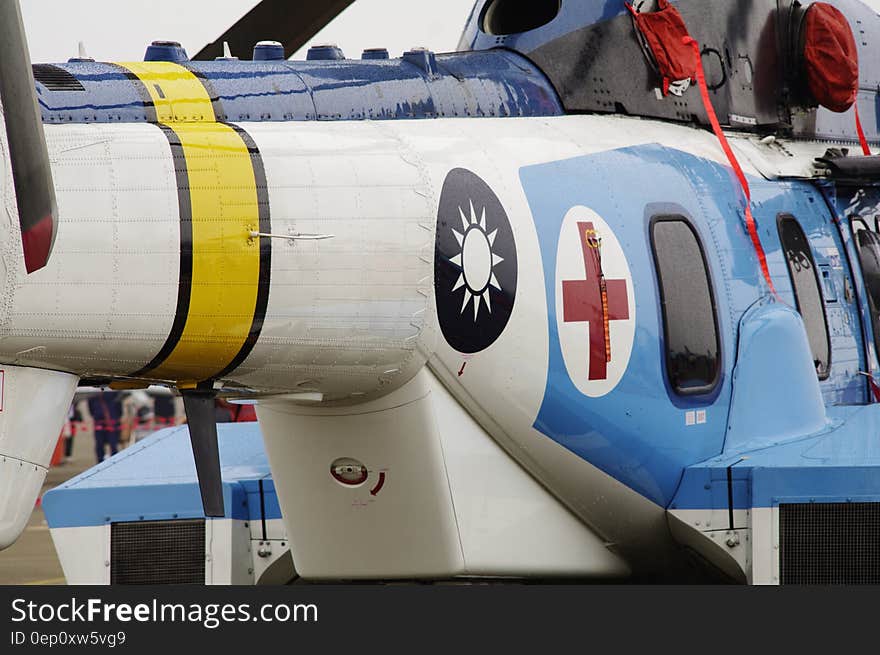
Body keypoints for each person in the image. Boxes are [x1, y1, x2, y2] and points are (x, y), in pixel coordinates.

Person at [87, 391, 123, 463]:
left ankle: (102, 462)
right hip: (110, 423)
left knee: (104, 445)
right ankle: (113, 462)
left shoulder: (93, 395)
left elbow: (91, 411)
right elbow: (120, 411)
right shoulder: (115, 394)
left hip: (106, 423)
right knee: (109, 445)